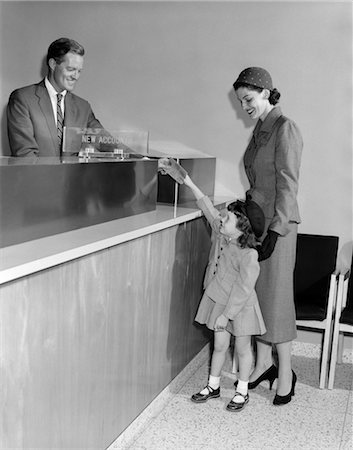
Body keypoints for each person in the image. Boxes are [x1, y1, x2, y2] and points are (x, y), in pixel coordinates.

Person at [158, 157, 266, 412]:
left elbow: (243, 290)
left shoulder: (249, 256)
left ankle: (242, 390)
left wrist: (227, 315)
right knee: (218, 345)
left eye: (226, 218)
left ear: (241, 229)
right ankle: (214, 385)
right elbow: (205, 203)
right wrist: (184, 178)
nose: (221, 219)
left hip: (239, 307)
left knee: (241, 348)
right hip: (219, 299)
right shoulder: (222, 232)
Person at [233, 67, 303, 405]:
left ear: (265, 92)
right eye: (240, 101)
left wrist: (276, 229)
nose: (244, 106)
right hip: (258, 225)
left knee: (276, 300)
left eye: (248, 99)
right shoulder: (261, 130)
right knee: (257, 298)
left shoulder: (284, 127)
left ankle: (286, 373)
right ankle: (263, 364)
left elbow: (288, 183)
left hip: (279, 226)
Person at [7, 37, 103, 157]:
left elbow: (107, 141)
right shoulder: (23, 99)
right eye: (71, 69)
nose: (76, 76)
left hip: (73, 176)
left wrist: (133, 157)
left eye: (79, 71)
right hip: (36, 175)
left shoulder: (83, 107)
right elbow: (25, 154)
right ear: (53, 64)